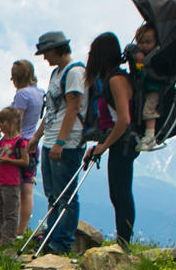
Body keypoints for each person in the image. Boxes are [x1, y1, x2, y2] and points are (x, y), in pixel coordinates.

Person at [32, 31, 86, 255]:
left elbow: (73, 108)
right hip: (51, 140)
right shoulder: (56, 73)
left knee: (66, 195)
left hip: (68, 142)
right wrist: (37, 138)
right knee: (52, 193)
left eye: (46, 52)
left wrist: (61, 142)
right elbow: (53, 110)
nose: (45, 58)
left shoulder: (75, 72)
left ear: (56, 49)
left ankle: (61, 242)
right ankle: (51, 234)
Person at [82, 33, 137, 247]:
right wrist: (100, 146)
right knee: (119, 193)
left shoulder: (116, 80)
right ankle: (123, 242)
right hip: (119, 143)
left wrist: (104, 146)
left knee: (121, 193)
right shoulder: (115, 78)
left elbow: (123, 119)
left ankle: (123, 244)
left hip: (123, 144)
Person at [0, 107, 29, 245]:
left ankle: (8, 239)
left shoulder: (19, 141)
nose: (0, 126)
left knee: (10, 213)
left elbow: (25, 161)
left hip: (11, 182)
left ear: (13, 121)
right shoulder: (2, 140)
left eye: (3, 122)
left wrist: (8, 160)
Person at [10, 59, 44, 234]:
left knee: (12, 191)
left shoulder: (22, 94)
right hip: (32, 145)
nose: (11, 79)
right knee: (27, 191)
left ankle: (9, 229)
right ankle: (20, 231)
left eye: (13, 75)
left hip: (18, 146)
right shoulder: (39, 92)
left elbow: (17, 121)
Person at [129, 24, 165, 151]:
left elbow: (146, 73)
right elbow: (140, 73)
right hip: (145, 89)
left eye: (148, 42)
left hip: (154, 89)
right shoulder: (142, 56)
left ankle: (150, 136)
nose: (144, 45)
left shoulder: (157, 56)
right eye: (141, 42)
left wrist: (141, 64)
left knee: (148, 111)